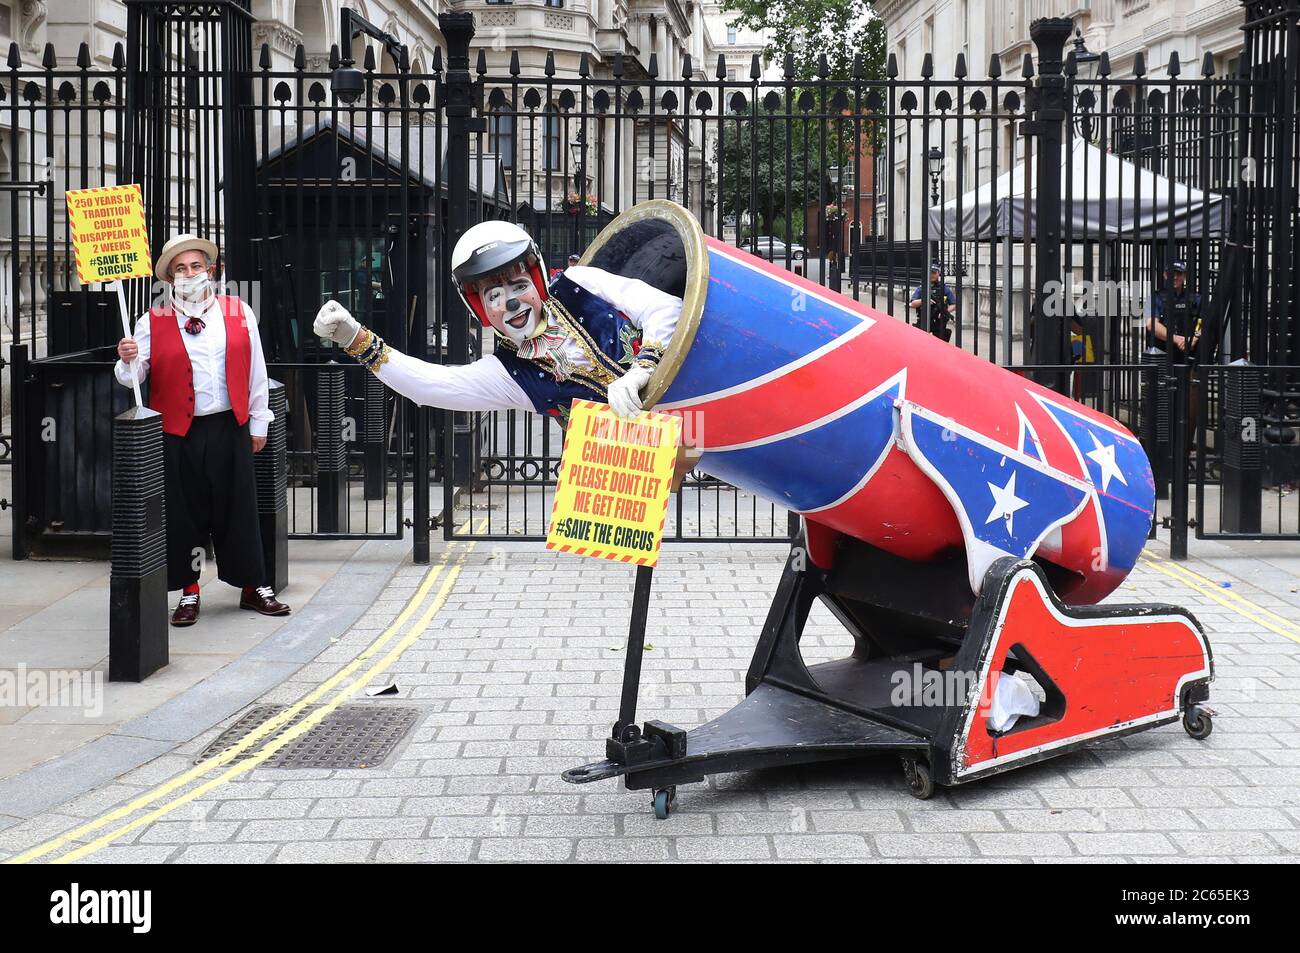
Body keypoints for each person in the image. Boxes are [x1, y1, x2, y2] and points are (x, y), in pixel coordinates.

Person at [312, 220, 682, 423]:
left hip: (697, 404)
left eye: (518, 285)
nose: (511, 303)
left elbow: (668, 308)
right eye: (493, 296)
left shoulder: (582, 284)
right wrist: (355, 338)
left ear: (536, 282)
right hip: (627, 472)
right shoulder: (508, 374)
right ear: (480, 309)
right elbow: (428, 386)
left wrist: (639, 371)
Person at [114, 234, 290, 627]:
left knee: (239, 508)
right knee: (184, 513)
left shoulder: (238, 311)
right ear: (170, 278)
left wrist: (259, 420)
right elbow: (133, 379)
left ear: (211, 271)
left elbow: (256, 371)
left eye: (196, 266)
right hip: (179, 432)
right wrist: (126, 359)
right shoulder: (150, 320)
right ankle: (188, 591)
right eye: (181, 268)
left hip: (230, 425)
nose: (190, 274)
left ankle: (253, 585)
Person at [1148, 259, 1207, 451]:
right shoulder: (1157, 297)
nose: (1175, 277)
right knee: (1162, 403)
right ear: (1165, 275)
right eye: (1171, 273)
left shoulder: (1194, 298)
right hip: (1163, 358)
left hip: (1189, 360)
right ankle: (1162, 449)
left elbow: (1204, 320)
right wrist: (1178, 339)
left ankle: (1184, 448)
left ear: (1184, 276)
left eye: (1179, 273)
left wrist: (1194, 337)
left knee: (1189, 406)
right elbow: (1151, 324)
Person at [909, 261, 957, 341]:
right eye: (930, 273)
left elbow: (954, 304)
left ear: (938, 273)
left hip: (939, 321)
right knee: (920, 343)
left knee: (940, 346)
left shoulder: (944, 289)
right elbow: (913, 304)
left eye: (934, 273)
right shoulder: (922, 288)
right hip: (924, 319)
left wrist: (945, 312)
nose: (932, 275)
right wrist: (924, 301)